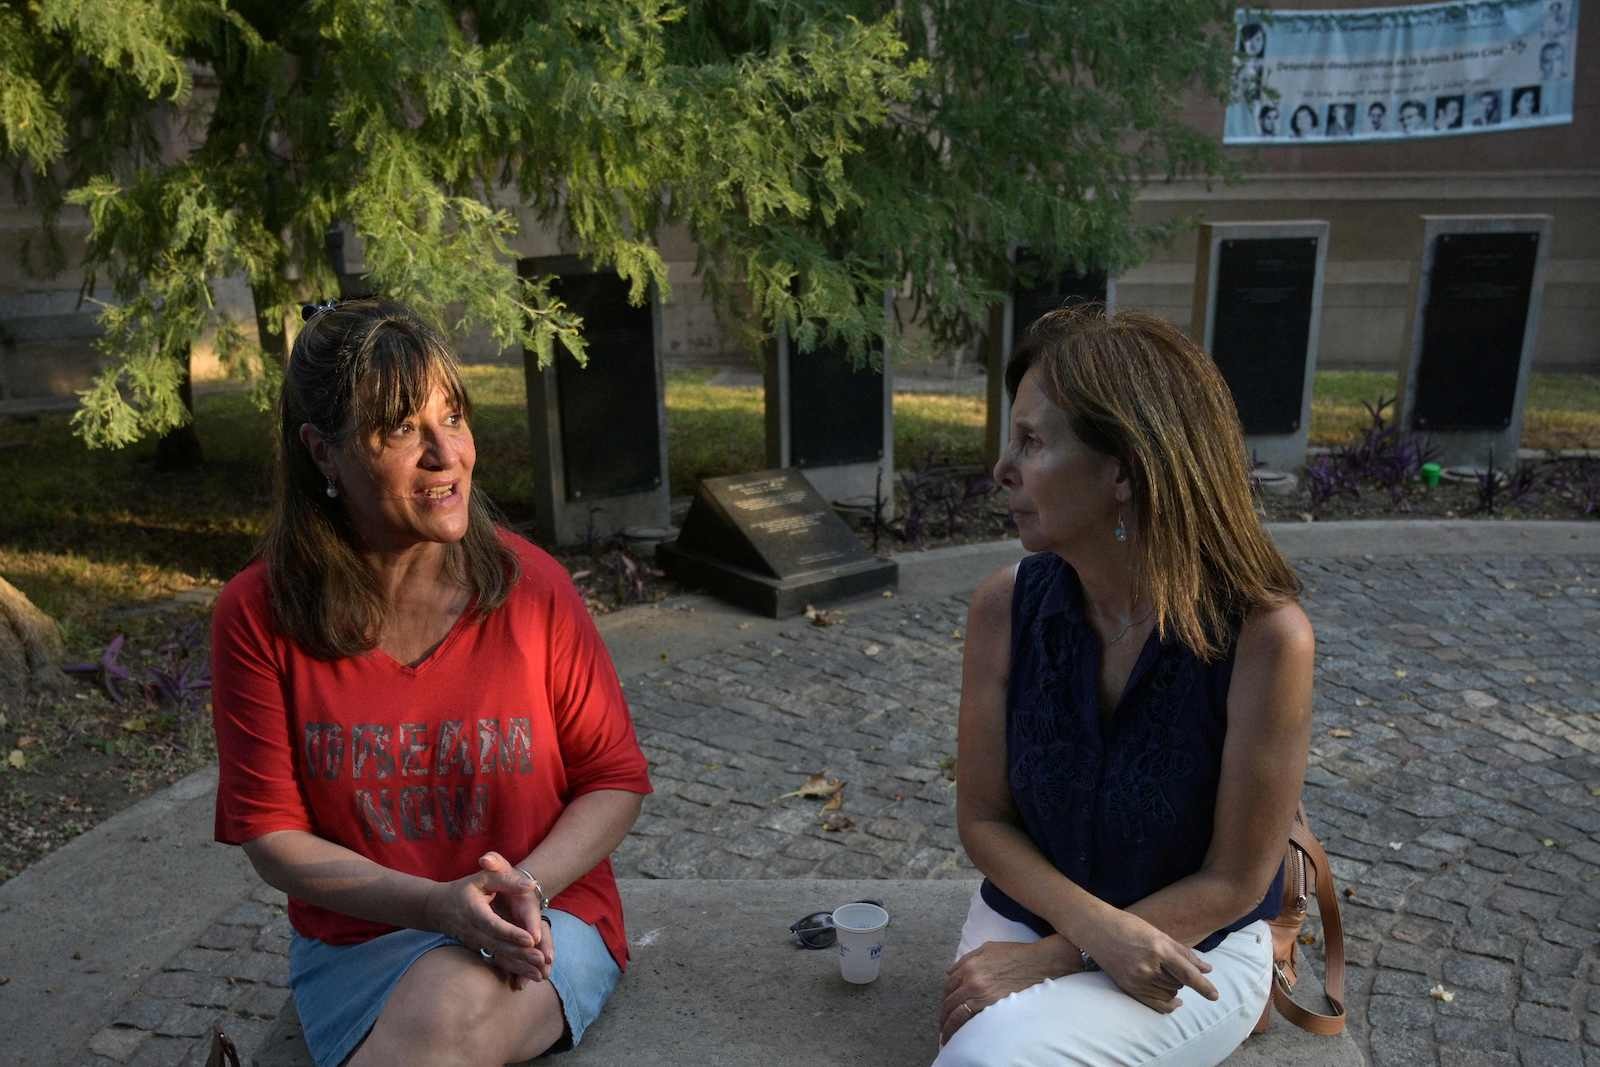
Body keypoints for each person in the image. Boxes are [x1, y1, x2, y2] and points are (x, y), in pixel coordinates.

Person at [211, 298, 653, 1067]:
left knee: (450, 1007)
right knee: (439, 1009)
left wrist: (523, 887)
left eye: (453, 416)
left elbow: (613, 779)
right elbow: (272, 835)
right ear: (323, 452)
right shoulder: (257, 614)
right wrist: (435, 905)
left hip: (540, 919)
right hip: (361, 945)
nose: (445, 454)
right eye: (400, 429)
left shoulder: (533, 591)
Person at [932, 306, 1313, 1067]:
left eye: (1033, 442)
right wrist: (1084, 935)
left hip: (1195, 949)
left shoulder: (1267, 637)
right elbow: (983, 818)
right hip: (1027, 914)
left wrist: (1056, 959)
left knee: (992, 1060)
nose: (1002, 469)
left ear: (1125, 470)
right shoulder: (1005, 607)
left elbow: (1238, 876)